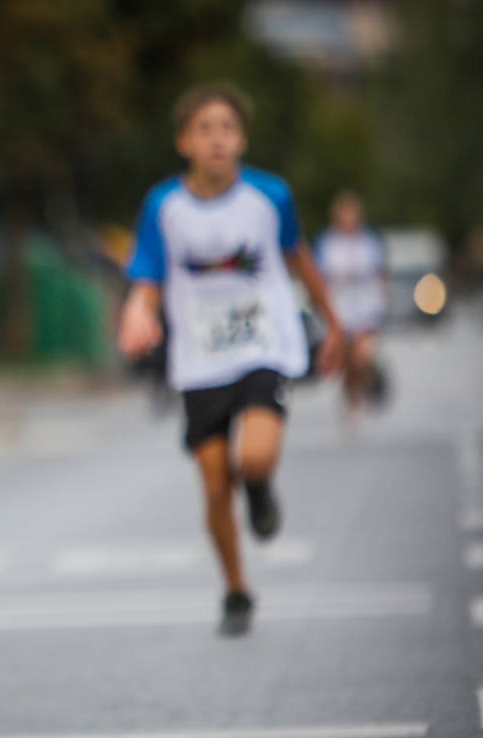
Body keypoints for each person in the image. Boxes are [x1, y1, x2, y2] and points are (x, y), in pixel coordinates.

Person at [116, 83, 343, 634]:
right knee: (216, 483)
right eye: (204, 129)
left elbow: (299, 260)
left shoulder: (271, 197)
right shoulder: (163, 206)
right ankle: (237, 587)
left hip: (265, 347)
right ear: (184, 141)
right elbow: (148, 276)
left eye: (227, 129)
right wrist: (135, 314)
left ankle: (261, 490)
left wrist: (334, 324)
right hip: (200, 359)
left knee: (256, 459)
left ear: (241, 139)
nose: (217, 139)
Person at [315, 190, 390, 421]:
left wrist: (384, 299)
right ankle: (351, 398)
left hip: (366, 309)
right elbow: (318, 277)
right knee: (348, 362)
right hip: (340, 312)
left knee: (363, 357)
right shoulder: (326, 243)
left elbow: (382, 273)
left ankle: (365, 390)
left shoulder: (370, 241)